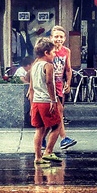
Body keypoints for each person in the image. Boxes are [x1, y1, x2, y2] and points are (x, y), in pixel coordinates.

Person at [27, 37, 63, 165]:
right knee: (57, 125)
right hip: (47, 101)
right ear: (46, 53)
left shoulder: (34, 65)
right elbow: (49, 82)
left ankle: (38, 157)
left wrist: (31, 105)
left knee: (39, 129)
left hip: (36, 101)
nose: (54, 55)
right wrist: (53, 100)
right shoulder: (48, 66)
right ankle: (48, 152)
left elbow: (31, 87)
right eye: (53, 52)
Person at [43, 25, 76, 152]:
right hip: (48, 84)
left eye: (61, 37)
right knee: (59, 111)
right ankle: (63, 138)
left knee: (57, 112)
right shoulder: (47, 51)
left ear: (65, 38)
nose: (59, 39)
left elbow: (68, 69)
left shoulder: (66, 51)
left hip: (59, 85)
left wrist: (68, 82)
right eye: (56, 36)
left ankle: (43, 140)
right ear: (51, 38)